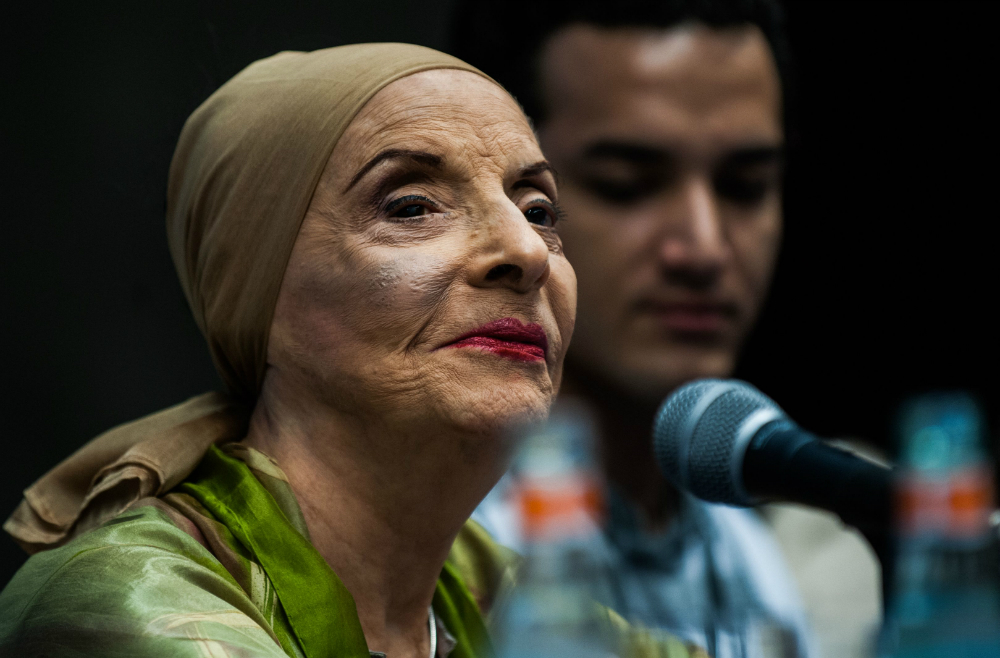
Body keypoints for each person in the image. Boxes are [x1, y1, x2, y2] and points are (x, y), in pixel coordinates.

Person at [0, 43, 706, 658]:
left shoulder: (488, 585)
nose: (526, 252)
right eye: (411, 206)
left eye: (539, 211)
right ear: (256, 285)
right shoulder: (121, 600)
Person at [452, 2, 880, 657]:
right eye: (627, 185)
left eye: (745, 186)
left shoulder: (756, 558)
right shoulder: (429, 557)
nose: (704, 248)